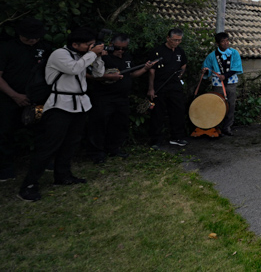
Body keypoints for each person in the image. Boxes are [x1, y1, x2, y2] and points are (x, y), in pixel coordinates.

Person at [18, 28, 106, 202]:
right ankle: (29, 184)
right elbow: (73, 69)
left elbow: (98, 74)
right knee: (49, 145)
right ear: (75, 44)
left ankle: (63, 175)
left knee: (71, 143)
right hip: (60, 105)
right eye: (88, 45)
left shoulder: (83, 56)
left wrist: (98, 57)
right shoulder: (60, 54)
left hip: (80, 105)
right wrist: (91, 54)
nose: (91, 47)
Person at [86, 34, 155, 163]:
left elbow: (132, 74)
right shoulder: (102, 56)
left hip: (122, 97)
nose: (120, 51)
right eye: (118, 48)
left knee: (119, 124)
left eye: (124, 49)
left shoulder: (127, 57)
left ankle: (113, 148)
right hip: (104, 96)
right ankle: (96, 152)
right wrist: (108, 77)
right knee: (99, 125)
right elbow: (91, 75)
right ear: (111, 45)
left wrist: (145, 69)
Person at [0, 19, 48, 182]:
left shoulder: (44, 47)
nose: (33, 40)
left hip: (37, 98)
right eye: (29, 37)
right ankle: (5, 169)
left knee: (44, 131)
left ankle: (43, 163)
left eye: (36, 37)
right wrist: (14, 95)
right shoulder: (7, 48)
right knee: (5, 133)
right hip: (9, 98)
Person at [148, 28, 188, 148]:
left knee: (178, 111)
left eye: (179, 40)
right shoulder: (158, 51)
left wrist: (181, 73)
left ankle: (177, 137)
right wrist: (151, 88)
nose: (176, 42)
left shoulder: (180, 52)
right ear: (168, 38)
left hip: (175, 86)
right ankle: (156, 140)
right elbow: (151, 71)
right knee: (158, 114)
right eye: (174, 40)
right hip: (160, 85)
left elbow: (184, 64)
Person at [202, 32, 243, 136]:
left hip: (231, 82)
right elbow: (207, 67)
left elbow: (236, 67)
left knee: (231, 105)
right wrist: (205, 71)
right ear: (217, 43)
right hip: (217, 83)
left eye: (227, 40)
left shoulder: (234, 53)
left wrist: (225, 76)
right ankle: (217, 127)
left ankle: (227, 127)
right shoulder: (212, 56)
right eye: (222, 41)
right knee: (218, 105)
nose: (225, 43)